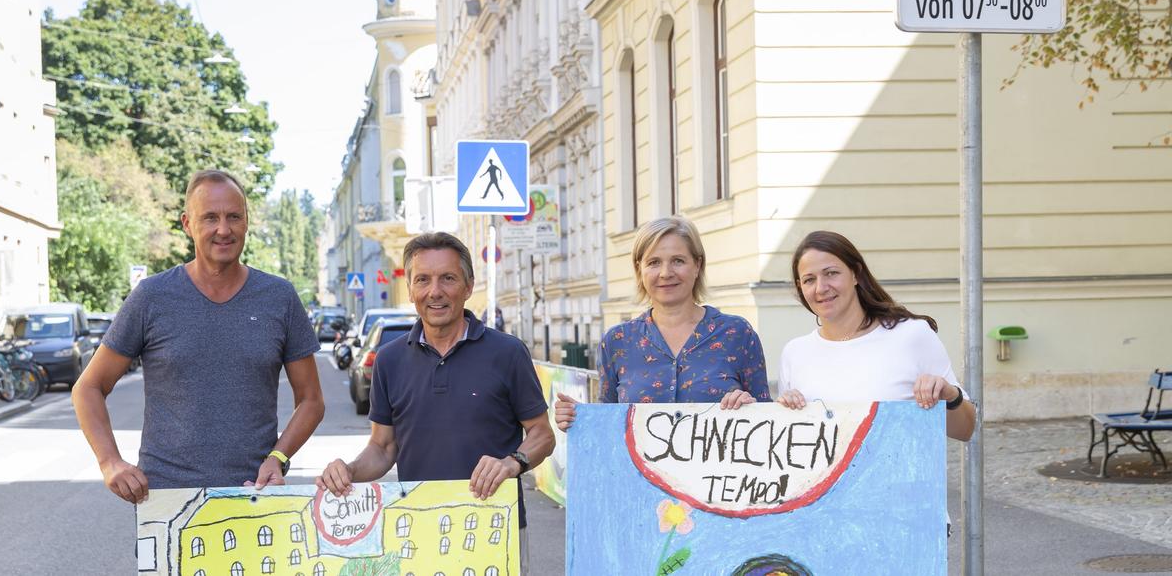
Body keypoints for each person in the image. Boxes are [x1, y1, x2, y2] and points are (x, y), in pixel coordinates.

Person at [72, 170, 325, 504]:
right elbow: (88, 387)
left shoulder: (279, 297)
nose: (224, 229)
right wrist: (110, 462)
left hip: (255, 496)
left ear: (247, 222)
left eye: (234, 217)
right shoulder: (152, 297)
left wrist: (278, 457)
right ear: (187, 224)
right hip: (166, 500)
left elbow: (311, 400)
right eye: (210, 218)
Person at [316, 232, 555, 571]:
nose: (435, 291)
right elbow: (383, 448)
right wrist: (349, 472)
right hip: (418, 529)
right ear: (411, 289)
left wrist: (512, 462)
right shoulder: (389, 360)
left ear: (469, 286)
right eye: (423, 280)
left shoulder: (508, 353)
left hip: (496, 526)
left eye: (448, 278)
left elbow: (543, 435)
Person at [554, 216, 771, 431]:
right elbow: (610, 424)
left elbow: (769, 422)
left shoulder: (737, 334)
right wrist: (579, 419)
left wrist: (750, 408)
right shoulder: (617, 341)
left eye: (678, 260)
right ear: (639, 269)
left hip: (721, 466)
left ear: (697, 265)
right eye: (654, 262)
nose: (666, 273)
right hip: (638, 468)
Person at [776, 230, 976, 442]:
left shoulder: (911, 335)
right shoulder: (794, 353)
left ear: (856, 274)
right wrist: (785, 413)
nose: (821, 288)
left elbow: (965, 430)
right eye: (809, 280)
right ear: (800, 288)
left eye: (831, 273)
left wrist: (949, 395)